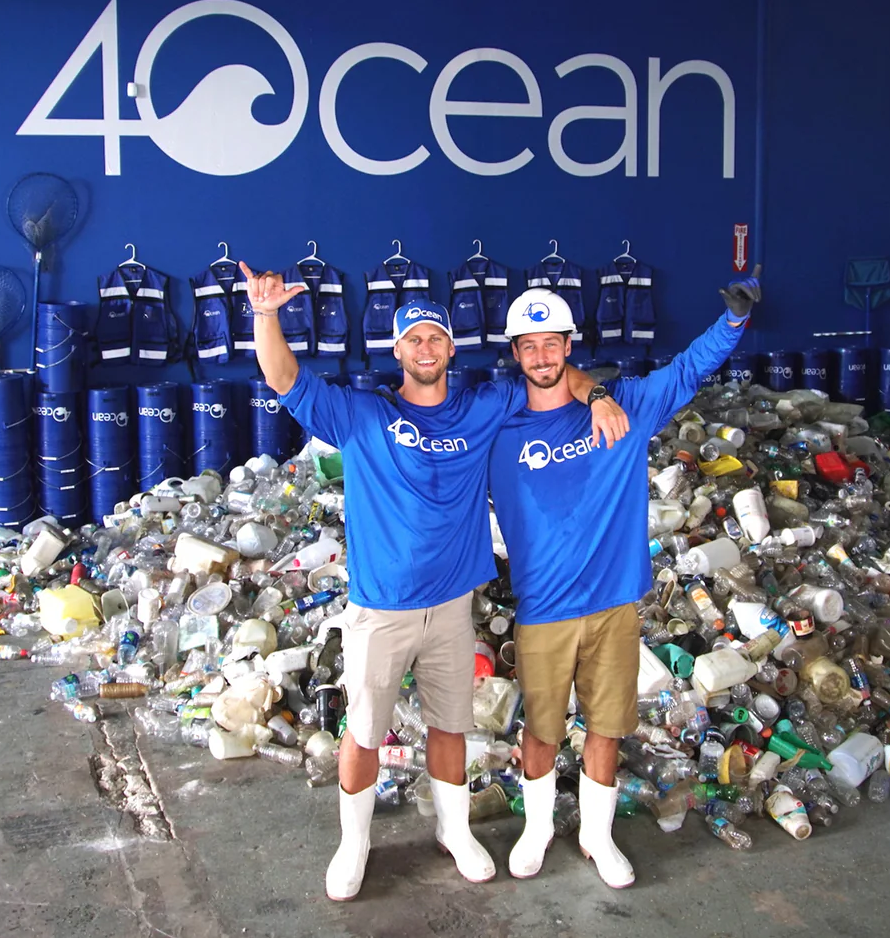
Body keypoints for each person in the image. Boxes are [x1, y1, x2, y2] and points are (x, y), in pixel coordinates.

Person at [237, 261, 629, 902]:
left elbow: (552, 372)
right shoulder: (359, 414)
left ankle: (454, 831)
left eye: (435, 338)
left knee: (452, 727)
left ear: (451, 348)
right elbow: (283, 376)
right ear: (398, 351)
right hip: (380, 609)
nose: (425, 347)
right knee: (364, 733)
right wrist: (265, 313)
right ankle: (354, 844)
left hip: (452, 605)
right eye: (413, 338)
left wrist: (600, 395)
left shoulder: (484, 405)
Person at [486, 267, 762, 887]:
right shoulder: (497, 429)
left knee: (606, 727)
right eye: (528, 346)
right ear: (515, 354)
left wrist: (734, 321)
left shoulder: (627, 407)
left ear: (568, 346)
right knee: (542, 731)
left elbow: (688, 370)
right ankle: (536, 830)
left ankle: (596, 836)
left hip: (613, 606)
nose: (540, 356)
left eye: (551, 343)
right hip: (542, 611)